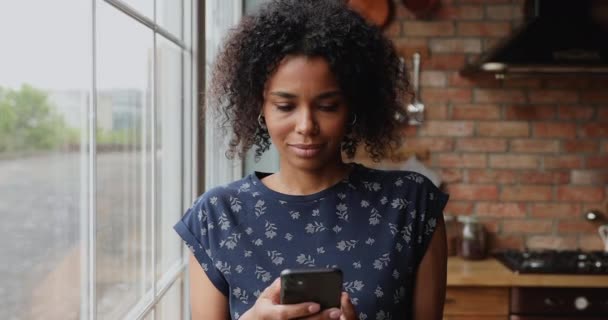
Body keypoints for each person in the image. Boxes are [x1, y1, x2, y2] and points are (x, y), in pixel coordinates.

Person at [173, 0, 449, 319]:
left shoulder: (410, 205)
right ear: (259, 108)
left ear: (353, 108)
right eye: (285, 106)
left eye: (328, 106)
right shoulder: (217, 217)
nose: (306, 126)